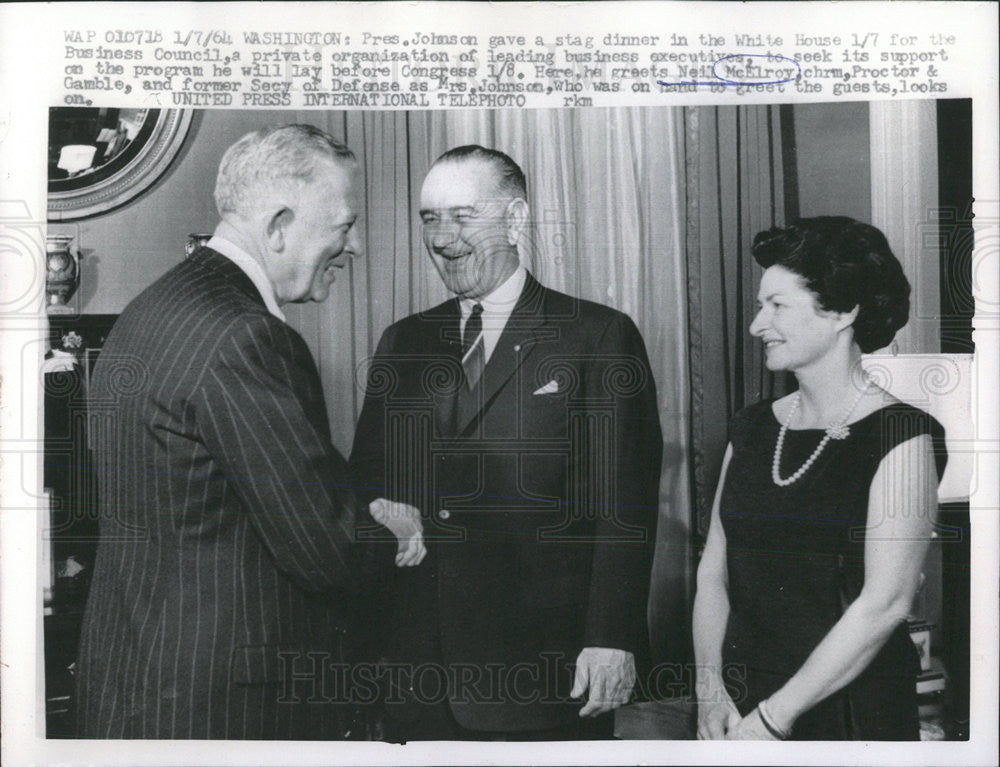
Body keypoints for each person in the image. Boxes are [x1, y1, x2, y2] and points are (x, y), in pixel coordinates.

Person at [75, 124, 424, 740]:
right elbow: (327, 552)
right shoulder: (247, 335)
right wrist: (390, 529)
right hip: (225, 705)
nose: (358, 247)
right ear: (279, 225)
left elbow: (212, 502)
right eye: (344, 226)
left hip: (141, 680)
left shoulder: (151, 309)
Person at [349, 145, 663, 740]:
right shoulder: (403, 341)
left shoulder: (596, 336)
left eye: (462, 216)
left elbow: (625, 504)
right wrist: (379, 507)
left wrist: (612, 638)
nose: (442, 239)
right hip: (417, 675)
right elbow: (366, 478)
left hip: (544, 675)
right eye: (428, 218)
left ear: (515, 220)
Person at [692, 216, 948, 741]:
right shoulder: (751, 428)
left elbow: (886, 604)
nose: (757, 324)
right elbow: (713, 573)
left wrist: (773, 719)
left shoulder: (903, 436)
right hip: (739, 705)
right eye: (761, 305)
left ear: (843, 312)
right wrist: (710, 689)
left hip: (849, 710)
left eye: (777, 305)